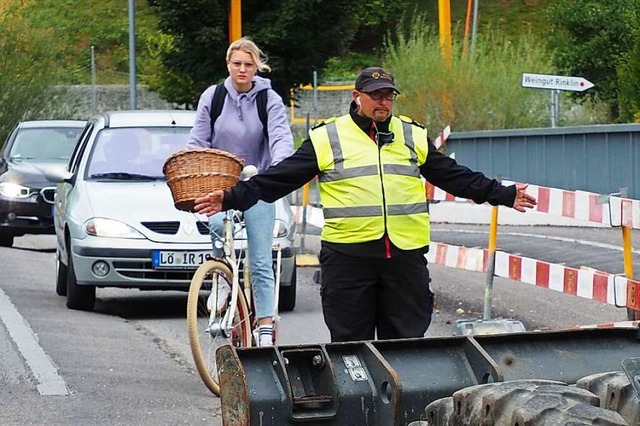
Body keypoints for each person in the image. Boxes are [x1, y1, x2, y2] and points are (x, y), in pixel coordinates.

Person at [193, 66, 537, 343]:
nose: (383, 102)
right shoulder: (328, 137)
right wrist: (231, 196)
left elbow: (453, 176)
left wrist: (503, 194)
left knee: (406, 346)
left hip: (404, 258)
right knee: (352, 349)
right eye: (375, 96)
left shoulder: (411, 135)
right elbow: (279, 178)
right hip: (349, 259)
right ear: (357, 97)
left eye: (388, 95)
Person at [186, 37, 294, 346]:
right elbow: (198, 139)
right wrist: (194, 166)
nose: (242, 70)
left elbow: (280, 139)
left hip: (256, 183)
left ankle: (263, 326)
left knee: (260, 260)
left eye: (248, 65)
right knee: (219, 227)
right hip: (220, 183)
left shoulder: (268, 99)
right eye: (237, 64)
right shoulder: (214, 96)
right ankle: (220, 275)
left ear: (257, 66)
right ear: (228, 64)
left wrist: (278, 171)